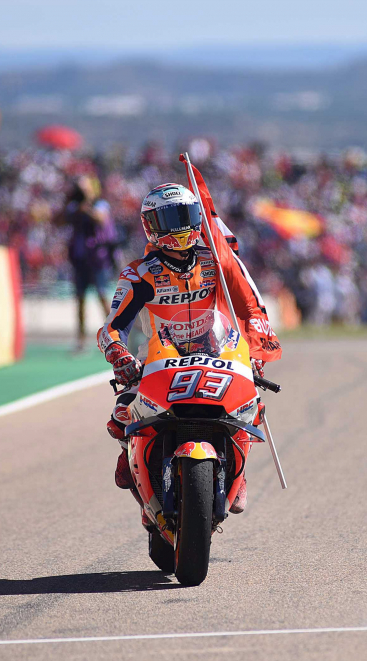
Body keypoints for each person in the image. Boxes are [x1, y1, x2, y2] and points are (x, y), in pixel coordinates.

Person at [96, 183, 267, 514]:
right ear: (151, 225)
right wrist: (119, 355)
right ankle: (127, 450)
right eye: (171, 219)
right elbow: (112, 327)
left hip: (215, 351)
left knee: (251, 405)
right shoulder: (139, 274)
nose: (181, 227)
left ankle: (239, 472)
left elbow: (245, 299)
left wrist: (254, 353)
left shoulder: (215, 259)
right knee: (121, 415)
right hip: (158, 359)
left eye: (187, 216)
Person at [63, 177, 116, 352]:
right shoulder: (73, 206)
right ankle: (81, 340)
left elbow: (101, 219)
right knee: (80, 300)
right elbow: (61, 219)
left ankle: (114, 336)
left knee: (102, 296)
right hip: (80, 260)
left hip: (97, 259)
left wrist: (86, 208)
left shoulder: (100, 204)